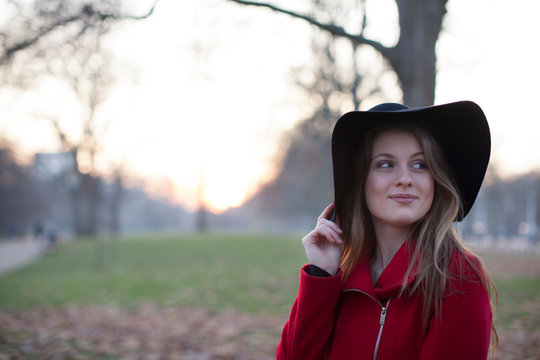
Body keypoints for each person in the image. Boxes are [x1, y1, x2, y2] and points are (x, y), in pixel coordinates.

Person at [276, 101, 497, 360]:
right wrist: (322, 274)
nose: (405, 178)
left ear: (435, 179)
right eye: (385, 164)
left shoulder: (458, 277)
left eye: (420, 164)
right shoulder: (341, 277)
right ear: (359, 182)